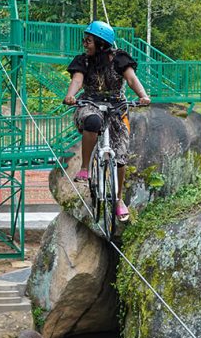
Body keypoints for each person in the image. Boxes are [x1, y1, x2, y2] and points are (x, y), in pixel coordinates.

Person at [62, 20, 150, 222]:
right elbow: (77, 80)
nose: (85, 44)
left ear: (101, 43)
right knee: (92, 121)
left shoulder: (119, 59)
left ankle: (119, 200)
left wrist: (143, 96)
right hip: (90, 103)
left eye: (89, 41)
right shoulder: (83, 61)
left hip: (116, 108)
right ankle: (85, 168)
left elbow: (131, 79)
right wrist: (70, 95)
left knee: (120, 157)